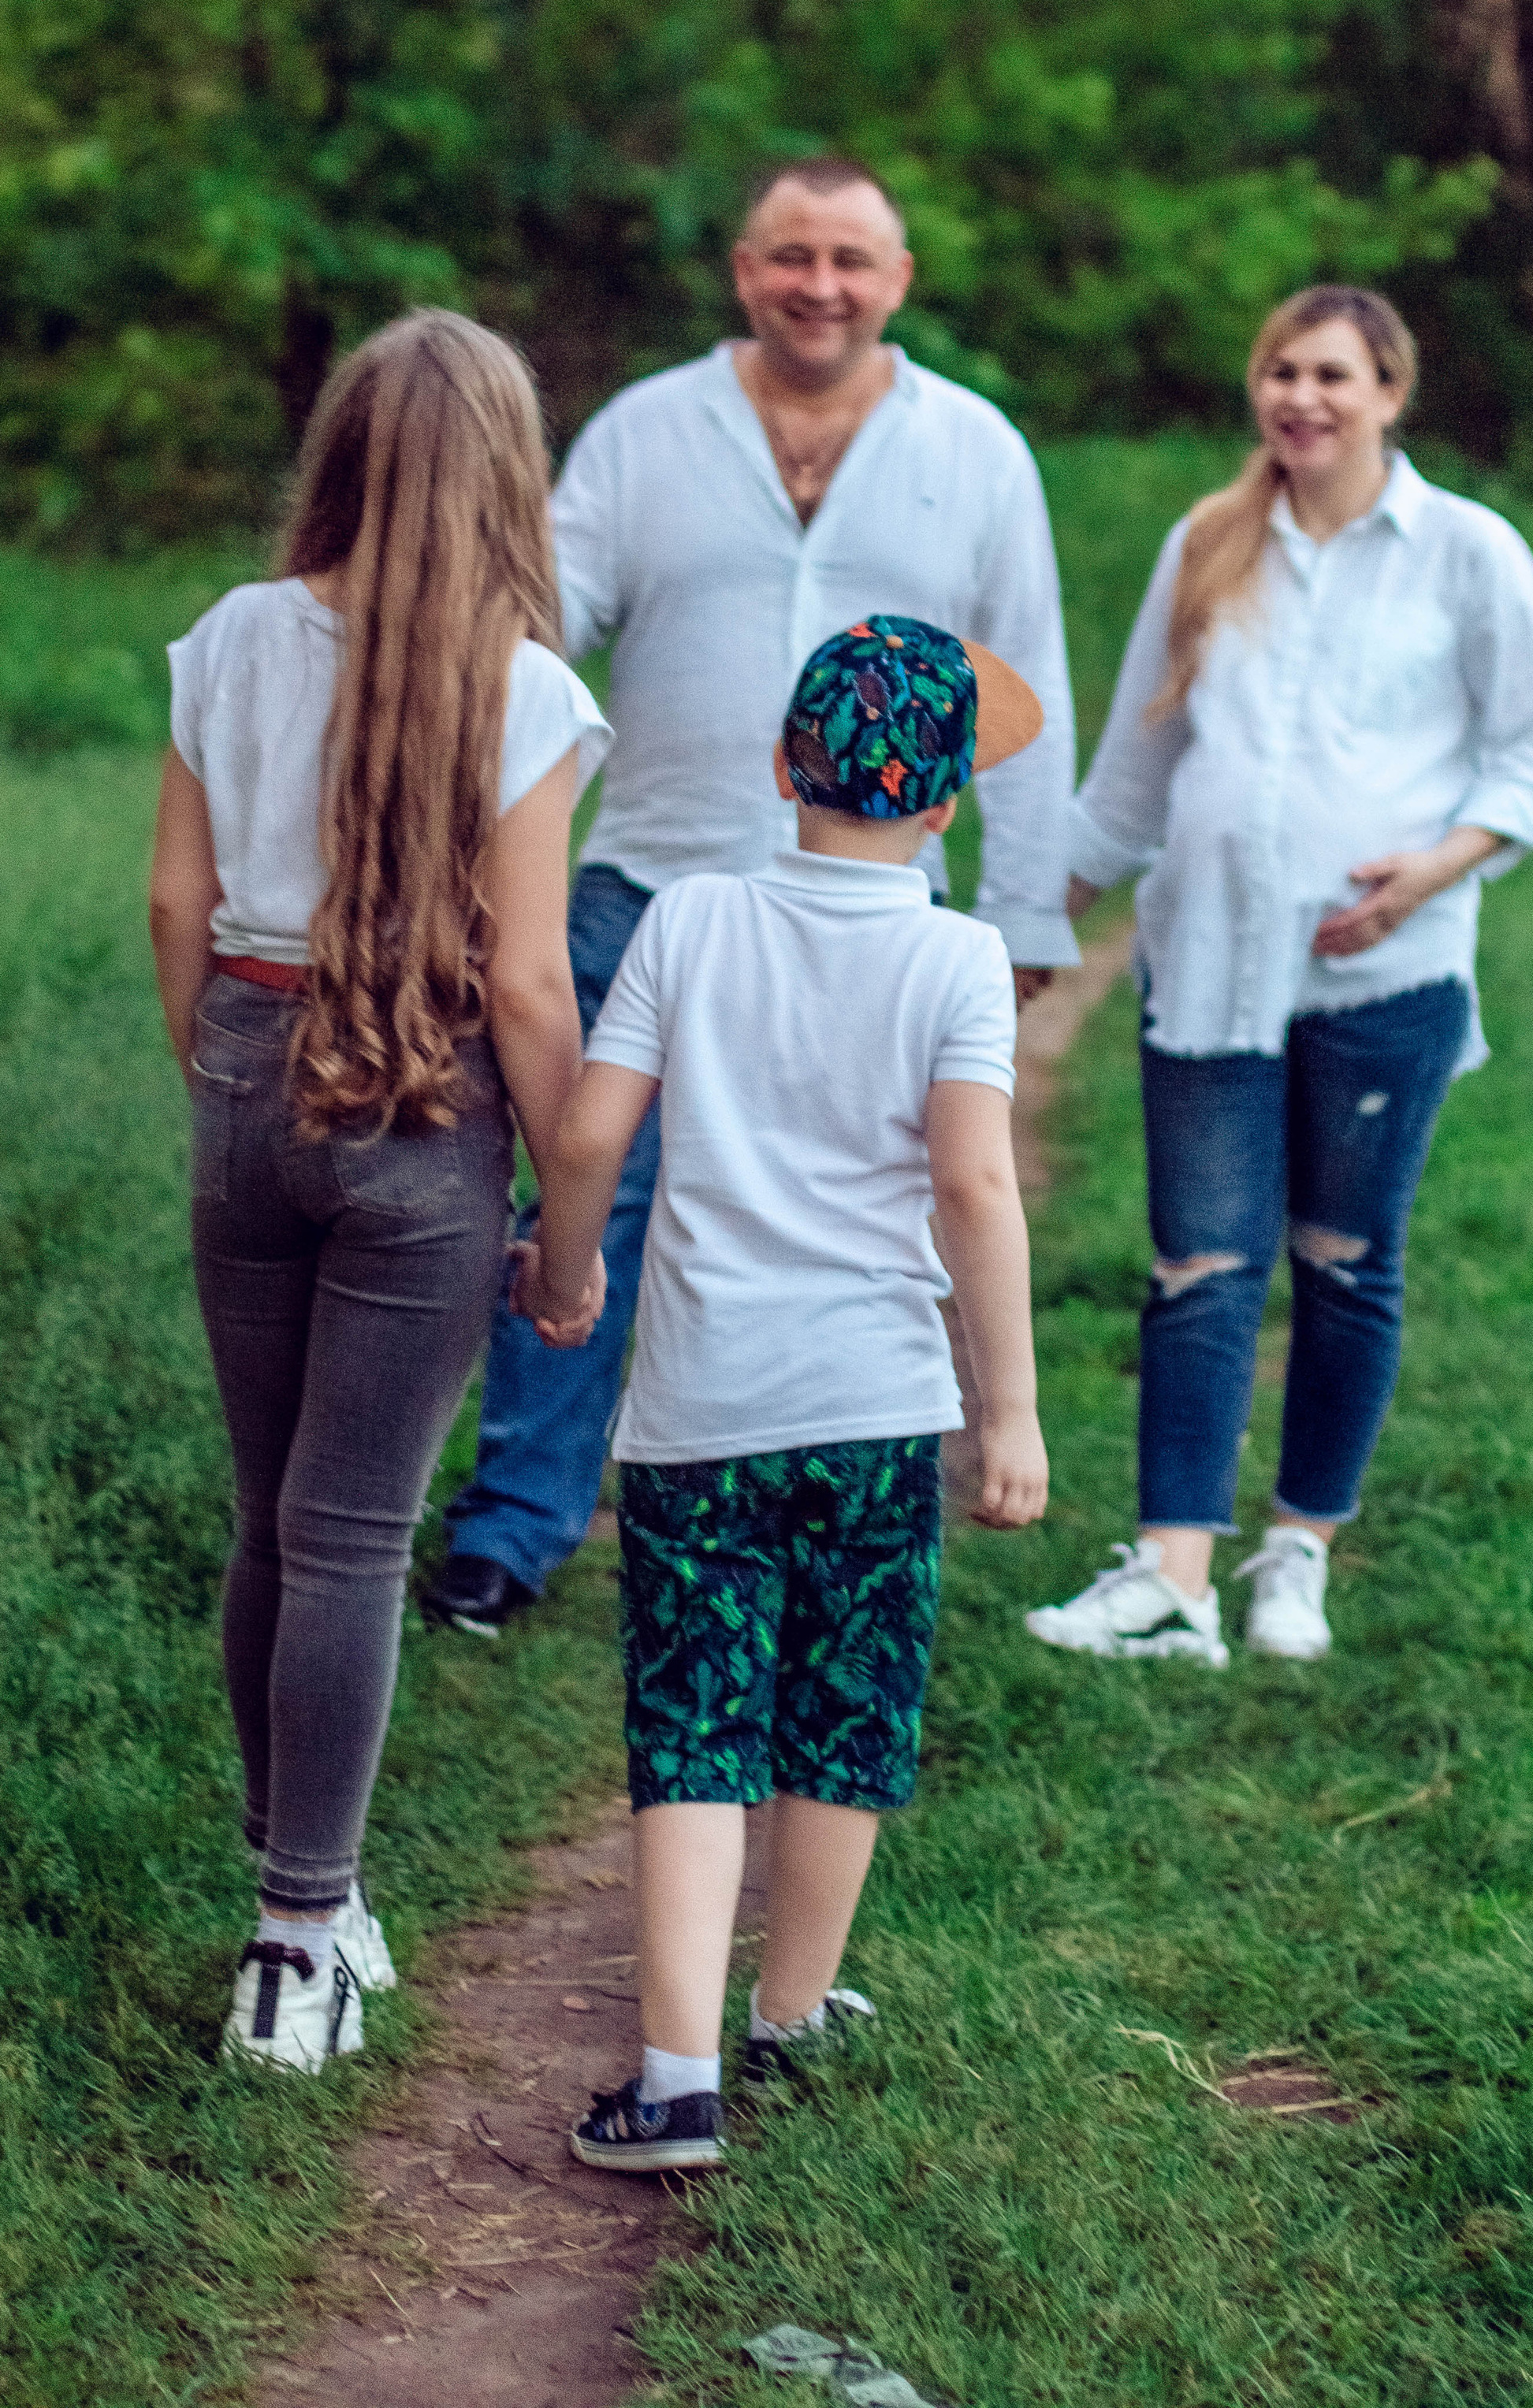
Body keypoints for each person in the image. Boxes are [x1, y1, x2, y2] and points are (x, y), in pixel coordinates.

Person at [423, 157, 1077, 1637]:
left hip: (883, 906)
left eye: (850, 259)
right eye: (792, 256)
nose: (819, 285)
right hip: (648, 876)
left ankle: (809, 1491)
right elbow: (540, 634)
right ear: (743, 269)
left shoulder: (975, 450)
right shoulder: (645, 431)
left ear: (898, 280)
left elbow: (1026, 673)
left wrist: (1028, 912)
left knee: (855, 1196)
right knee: (593, 1180)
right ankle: (518, 1520)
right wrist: (466, 836)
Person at [513, 617, 1048, 2172]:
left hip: (704, 1410)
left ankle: (675, 2081)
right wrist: (1008, 1412)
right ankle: (791, 2014)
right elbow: (973, 1188)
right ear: (947, 804)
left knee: (695, 1723)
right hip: (876, 1407)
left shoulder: (690, 919)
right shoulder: (957, 958)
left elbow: (593, 1137)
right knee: (843, 1714)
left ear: (777, 768)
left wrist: (562, 1275)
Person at [149, 310, 611, 2073]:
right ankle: (295, 1941)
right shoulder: (528, 690)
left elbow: (177, 907)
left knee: (271, 1522)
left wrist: (222, 1080)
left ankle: (305, 1900)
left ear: (337, 452)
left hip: (248, 1069)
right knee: (351, 1534)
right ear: (508, 476)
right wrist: (564, 1232)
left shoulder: (230, 637)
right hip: (423, 1092)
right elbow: (530, 988)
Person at [1024, 287, 1533, 1671]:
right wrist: (1035, 925)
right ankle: (1172, 1578)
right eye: (1281, 371)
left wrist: (1434, 869)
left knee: (1344, 1263)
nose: (1302, 398)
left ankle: (1298, 1556)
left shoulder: (1469, 553)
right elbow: (1133, 774)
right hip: (1210, 969)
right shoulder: (1207, 544)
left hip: (1386, 983)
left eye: (1332, 375)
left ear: (1391, 392)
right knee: (1200, 1267)